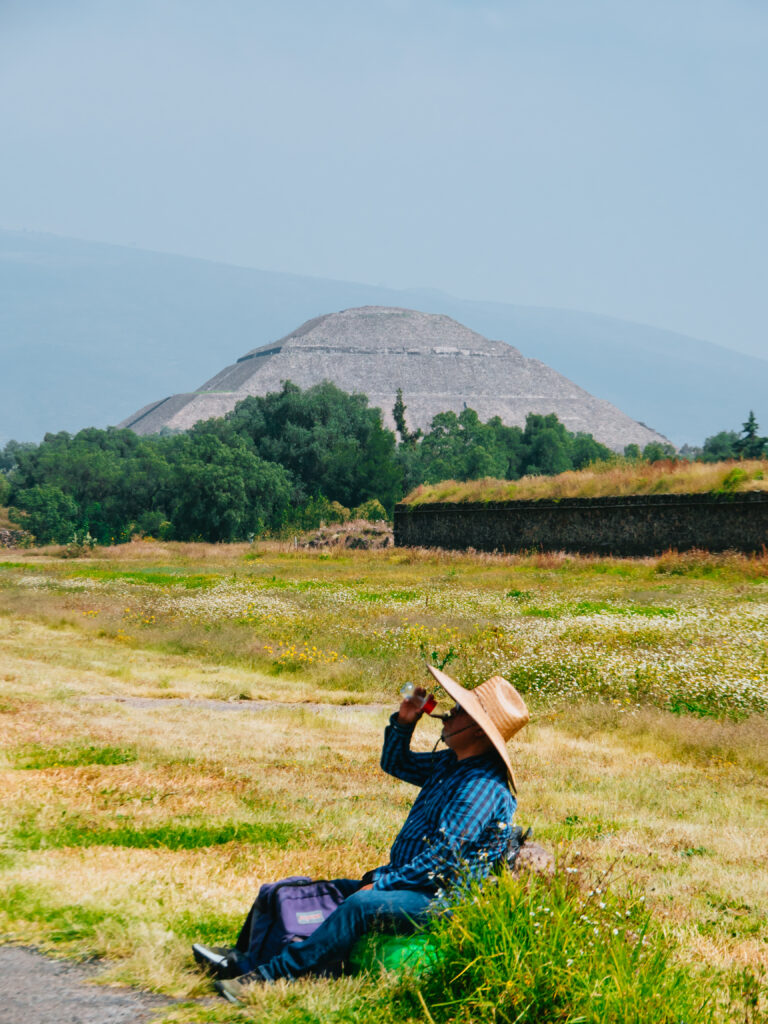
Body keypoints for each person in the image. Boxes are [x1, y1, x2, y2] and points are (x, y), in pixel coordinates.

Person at [194, 666, 529, 1006]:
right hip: (412, 883)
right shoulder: (451, 763)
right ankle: (243, 959)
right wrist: (405, 722)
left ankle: (267, 979)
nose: (448, 714)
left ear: (478, 732)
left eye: (459, 711)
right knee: (298, 890)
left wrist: (383, 884)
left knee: (359, 905)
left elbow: (442, 858)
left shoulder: (481, 786)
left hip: (443, 898)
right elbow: (395, 764)